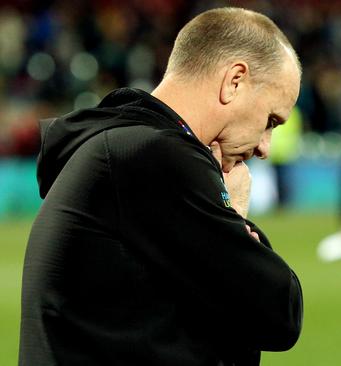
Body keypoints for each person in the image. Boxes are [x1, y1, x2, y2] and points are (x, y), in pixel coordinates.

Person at [19, 7, 303, 366]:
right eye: (270, 121)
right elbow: (277, 313)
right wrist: (231, 213)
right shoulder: (154, 156)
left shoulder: (116, 148)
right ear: (235, 80)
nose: (265, 147)